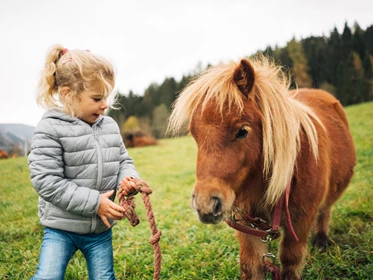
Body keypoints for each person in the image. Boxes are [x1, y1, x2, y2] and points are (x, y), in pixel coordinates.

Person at [28, 44, 142, 280]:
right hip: (61, 228)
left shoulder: (109, 125)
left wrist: (128, 179)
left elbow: (123, 160)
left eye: (107, 97)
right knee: (48, 276)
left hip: (100, 230)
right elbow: (46, 180)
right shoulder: (50, 128)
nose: (105, 105)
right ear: (69, 94)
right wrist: (94, 203)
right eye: (97, 98)